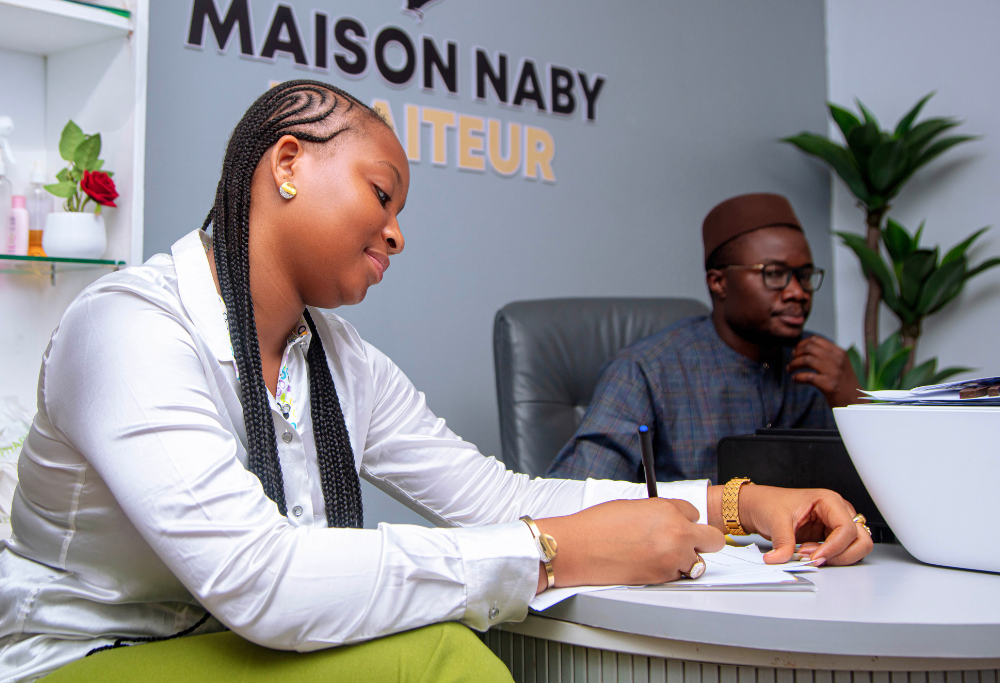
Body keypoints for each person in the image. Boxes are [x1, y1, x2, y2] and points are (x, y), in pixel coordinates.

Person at [0, 85, 872, 683]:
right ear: (288, 163)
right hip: (83, 656)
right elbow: (261, 578)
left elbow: (499, 496)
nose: (397, 233)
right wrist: (551, 551)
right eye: (382, 195)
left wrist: (733, 503)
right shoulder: (128, 328)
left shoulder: (340, 360)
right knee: (441, 659)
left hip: (225, 642)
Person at [549, 193, 862, 484]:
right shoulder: (646, 370)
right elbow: (577, 494)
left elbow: (872, 499)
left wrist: (853, 403)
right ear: (719, 282)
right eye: (774, 274)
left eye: (804, 276)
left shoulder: (819, 365)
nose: (797, 292)